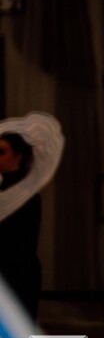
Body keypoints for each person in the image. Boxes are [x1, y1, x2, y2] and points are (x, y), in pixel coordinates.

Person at [0, 132, 41, 319]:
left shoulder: (23, 192)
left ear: (18, 156)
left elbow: (16, 238)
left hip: (17, 273)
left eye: (2, 152)